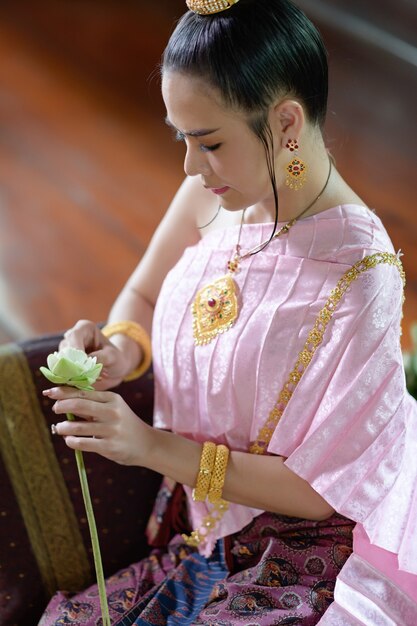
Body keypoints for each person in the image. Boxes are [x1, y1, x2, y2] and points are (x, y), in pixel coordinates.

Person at [39, 0, 417, 624]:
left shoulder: (359, 277)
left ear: (286, 123)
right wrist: (119, 350)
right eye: (181, 138)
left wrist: (152, 447)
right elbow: (145, 297)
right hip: (202, 530)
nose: (189, 165)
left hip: (298, 551)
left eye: (209, 141)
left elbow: (318, 493)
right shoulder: (212, 194)